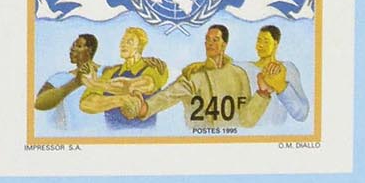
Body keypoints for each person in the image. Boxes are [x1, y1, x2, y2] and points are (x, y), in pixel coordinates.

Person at [116, 22, 259, 132]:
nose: (210, 43)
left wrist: (263, 94)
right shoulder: (194, 74)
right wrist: (146, 107)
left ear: (224, 45)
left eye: (215, 40)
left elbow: (248, 119)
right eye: (207, 39)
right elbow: (169, 95)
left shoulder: (239, 74)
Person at [79, 27, 170, 130]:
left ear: (140, 46)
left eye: (129, 42)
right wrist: (120, 100)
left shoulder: (155, 67)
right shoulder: (111, 72)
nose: (123, 45)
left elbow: (133, 86)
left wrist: (95, 84)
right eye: (122, 41)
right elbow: (85, 103)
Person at [247, 24, 311, 126]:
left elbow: (302, 113)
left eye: (266, 41)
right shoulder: (247, 68)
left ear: (275, 44)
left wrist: (281, 86)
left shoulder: (287, 69)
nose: (260, 45)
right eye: (259, 40)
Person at [33, 33, 100, 131]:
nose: (72, 49)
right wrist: (76, 82)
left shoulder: (105, 73)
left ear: (89, 50)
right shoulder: (59, 78)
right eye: (72, 46)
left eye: (78, 46)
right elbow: (38, 103)